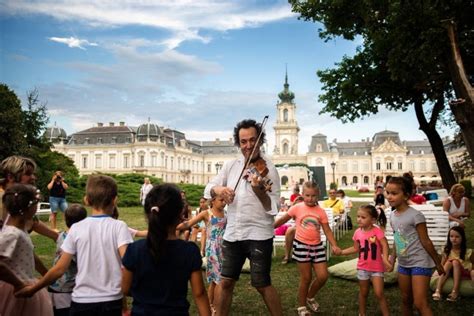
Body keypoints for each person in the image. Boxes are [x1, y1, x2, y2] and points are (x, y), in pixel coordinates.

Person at [16, 175, 134, 316]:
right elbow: (128, 262)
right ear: (115, 200)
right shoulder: (120, 227)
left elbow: (59, 269)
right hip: (111, 300)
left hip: (81, 301)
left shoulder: (76, 228)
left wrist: (33, 288)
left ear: (86, 200)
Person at [204, 118, 283, 316]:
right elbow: (208, 189)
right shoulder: (231, 166)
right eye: (243, 141)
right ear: (238, 142)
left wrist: (259, 191)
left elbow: (273, 208)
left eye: (252, 140)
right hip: (232, 234)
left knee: (262, 284)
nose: (248, 146)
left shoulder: (269, 170)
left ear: (260, 140)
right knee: (226, 281)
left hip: (259, 234)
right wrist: (220, 189)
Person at [121, 184, 211, 315]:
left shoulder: (134, 250)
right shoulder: (189, 251)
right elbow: (199, 293)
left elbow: (124, 288)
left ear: (149, 213)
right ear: (181, 214)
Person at [274, 181, 340, 315]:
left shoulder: (321, 212)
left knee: (323, 276)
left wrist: (334, 245)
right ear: (302, 195)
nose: (310, 199)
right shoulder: (297, 208)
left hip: (317, 246)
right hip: (301, 246)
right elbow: (283, 220)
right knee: (306, 278)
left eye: (313, 196)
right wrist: (270, 227)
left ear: (318, 195)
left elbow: (327, 230)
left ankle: (310, 296)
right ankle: (302, 306)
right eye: (307, 195)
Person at [386, 176, 444, 316]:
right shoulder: (393, 215)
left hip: (420, 262)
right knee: (406, 300)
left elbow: (426, 241)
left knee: (420, 303)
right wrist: (392, 259)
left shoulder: (416, 216)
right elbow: (397, 239)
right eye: (388, 192)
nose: (389, 197)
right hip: (404, 263)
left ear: (406, 195)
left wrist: (438, 264)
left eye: (394, 193)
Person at [0, 183, 53, 316]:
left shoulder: (20, 230)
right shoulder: (11, 234)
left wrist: (45, 273)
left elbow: (28, 254)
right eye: (36, 204)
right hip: (16, 290)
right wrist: (18, 284)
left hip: (27, 282)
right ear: (28, 208)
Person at [0, 155, 56, 275]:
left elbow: (32, 223)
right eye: (28, 174)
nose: (33, 178)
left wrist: (57, 237)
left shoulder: (17, 200)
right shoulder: (3, 203)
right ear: (10, 176)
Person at [337, 205, 392, 316]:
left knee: (379, 293)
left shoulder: (377, 231)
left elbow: (385, 245)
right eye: (358, 216)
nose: (359, 219)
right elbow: (355, 248)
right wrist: (341, 252)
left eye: (363, 217)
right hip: (362, 267)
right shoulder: (357, 232)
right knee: (363, 292)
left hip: (377, 268)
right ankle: (362, 313)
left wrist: (385, 259)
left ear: (372, 220)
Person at [177, 191, 227, 314]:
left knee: (220, 279)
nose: (224, 203)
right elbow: (189, 223)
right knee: (216, 279)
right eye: (221, 200)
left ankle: (214, 304)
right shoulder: (206, 213)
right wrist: (175, 227)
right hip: (213, 249)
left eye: (225, 200)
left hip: (224, 248)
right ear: (213, 200)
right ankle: (211, 305)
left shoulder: (226, 214)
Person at [48, 204, 87, 316]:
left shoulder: (61, 236)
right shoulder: (77, 240)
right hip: (67, 290)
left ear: (65, 220)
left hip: (55, 287)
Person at [432, 226, 474, 302]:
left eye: (457, 237)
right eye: (451, 236)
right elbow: (442, 265)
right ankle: (438, 291)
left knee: (454, 261)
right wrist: (437, 272)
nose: (454, 239)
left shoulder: (468, 252)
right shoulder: (447, 250)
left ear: (462, 238)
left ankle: (455, 291)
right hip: (451, 273)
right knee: (448, 263)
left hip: (464, 273)